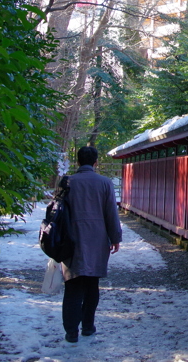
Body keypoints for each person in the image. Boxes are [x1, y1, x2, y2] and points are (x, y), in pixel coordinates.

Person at [61, 146, 122, 343]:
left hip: (71, 239)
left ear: (77, 162)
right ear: (96, 162)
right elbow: (111, 213)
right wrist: (115, 237)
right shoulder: (105, 183)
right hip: (97, 240)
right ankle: (88, 326)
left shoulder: (67, 182)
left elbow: (57, 212)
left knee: (72, 285)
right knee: (91, 284)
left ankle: (71, 331)